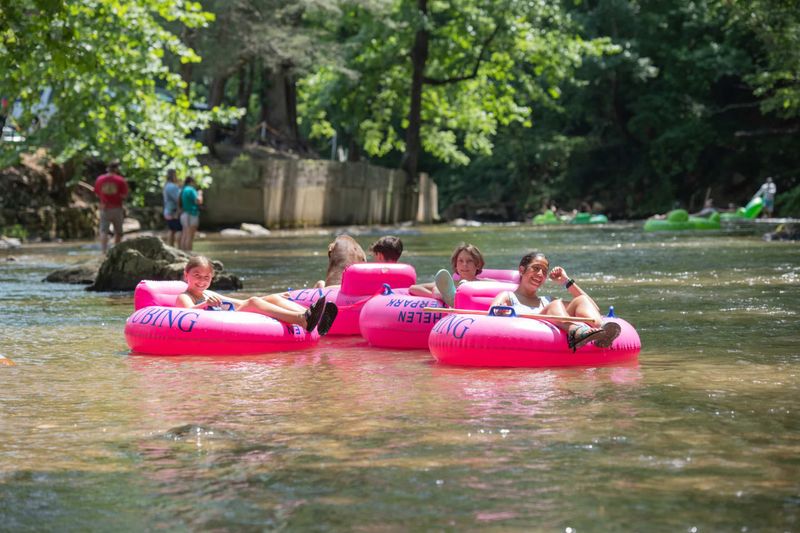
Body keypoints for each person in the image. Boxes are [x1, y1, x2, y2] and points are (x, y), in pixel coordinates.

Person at [490, 252, 621, 352]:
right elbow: (492, 315)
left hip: (559, 335)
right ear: (522, 270)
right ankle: (575, 332)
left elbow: (593, 307)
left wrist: (566, 281)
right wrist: (502, 313)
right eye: (536, 268)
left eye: (544, 272)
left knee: (581, 300)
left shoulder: (546, 300)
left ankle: (600, 335)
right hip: (528, 340)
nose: (540, 274)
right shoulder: (507, 296)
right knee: (555, 304)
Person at [175, 256, 338, 335]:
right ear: (186, 275)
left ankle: (317, 317)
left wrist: (273, 296)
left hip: (232, 317)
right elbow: (188, 314)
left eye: (206, 277)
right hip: (225, 325)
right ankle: (302, 319)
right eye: (197, 275)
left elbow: (240, 303)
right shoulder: (185, 296)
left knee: (270, 299)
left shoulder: (208, 293)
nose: (201, 281)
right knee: (253, 302)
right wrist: (205, 304)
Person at [409, 243, 485, 307]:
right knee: (436, 289)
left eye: (469, 261)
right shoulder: (448, 284)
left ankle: (455, 299)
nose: (464, 264)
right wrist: (441, 297)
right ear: (456, 265)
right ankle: (451, 299)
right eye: (460, 261)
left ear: (477, 265)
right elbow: (413, 288)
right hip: (450, 301)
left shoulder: (484, 284)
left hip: (472, 311)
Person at [93, 159, 129, 254]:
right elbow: (124, 195)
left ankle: (103, 251)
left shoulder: (99, 179)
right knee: (118, 232)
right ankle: (116, 251)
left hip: (104, 208)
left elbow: (97, 194)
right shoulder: (121, 180)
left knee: (104, 230)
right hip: (117, 208)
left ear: (107, 168)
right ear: (116, 169)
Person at [179, 176, 202, 251]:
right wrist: (200, 194)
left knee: (184, 235)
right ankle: (189, 255)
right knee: (190, 236)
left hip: (184, 214)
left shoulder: (183, 190)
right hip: (192, 214)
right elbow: (198, 201)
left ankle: (182, 253)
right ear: (191, 182)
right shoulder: (191, 190)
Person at [162, 169, 182, 247]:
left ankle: (171, 247)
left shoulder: (166, 185)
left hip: (167, 211)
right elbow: (178, 198)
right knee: (179, 230)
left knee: (172, 230)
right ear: (173, 176)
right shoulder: (172, 186)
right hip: (173, 212)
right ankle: (179, 249)